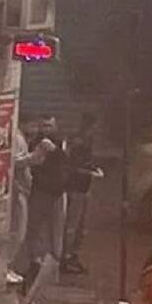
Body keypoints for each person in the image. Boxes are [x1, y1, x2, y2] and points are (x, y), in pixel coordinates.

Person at [23, 115, 68, 287]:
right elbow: (30, 162)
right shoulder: (35, 143)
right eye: (44, 126)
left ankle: (53, 268)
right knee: (34, 229)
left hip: (58, 194)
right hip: (41, 192)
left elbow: (66, 162)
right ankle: (35, 263)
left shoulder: (60, 143)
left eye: (50, 125)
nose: (47, 129)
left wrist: (55, 151)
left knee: (56, 231)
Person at [10, 115, 52, 285]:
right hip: (17, 190)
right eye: (33, 125)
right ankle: (7, 266)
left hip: (23, 190)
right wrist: (36, 154)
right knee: (17, 231)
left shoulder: (23, 139)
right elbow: (15, 162)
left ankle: (9, 265)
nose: (36, 130)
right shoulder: (17, 138)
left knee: (20, 230)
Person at [61, 112, 103, 275]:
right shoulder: (79, 143)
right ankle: (66, 256)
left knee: (79, 227)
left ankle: (72, 255)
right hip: (76, 188)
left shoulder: (87, 142)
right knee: (72, 225)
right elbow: (72, 166)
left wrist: (92, 169)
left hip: (83, 188)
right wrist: (89, 173)